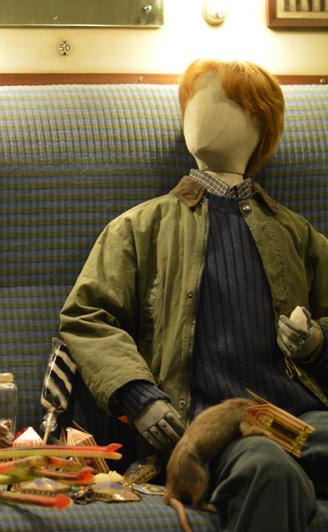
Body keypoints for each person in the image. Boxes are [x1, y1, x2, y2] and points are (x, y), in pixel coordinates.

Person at [59, 58, 328, 531]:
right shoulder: (139, 227)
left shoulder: (298, 235)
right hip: (210, 428)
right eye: (193, 100)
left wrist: (317, 343)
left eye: (225, 100)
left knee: (283, 459)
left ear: (259, 122)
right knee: (268, 470)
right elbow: (88, 316)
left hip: (303, 418)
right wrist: (138, 396)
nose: (201, 111)